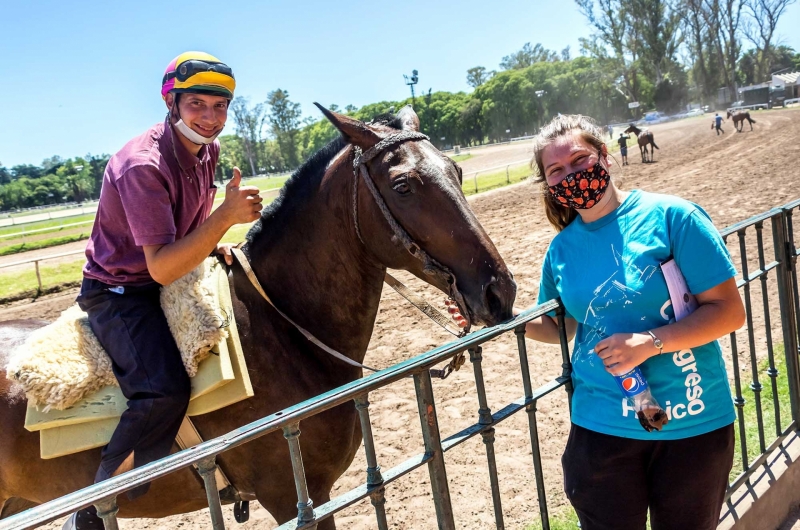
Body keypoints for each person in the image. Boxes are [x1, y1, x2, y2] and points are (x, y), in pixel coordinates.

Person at [452, 114, 745, 530]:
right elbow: (561, 327)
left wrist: (649, 342)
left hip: (692, 423)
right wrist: (494, 317)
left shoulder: (674, 217)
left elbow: (728, 311)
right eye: (556, 170)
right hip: (601, 428)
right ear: (549, 185)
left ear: (604, 157)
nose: (570, 175)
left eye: (579, 161)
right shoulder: (561, 250)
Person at [64, 51, 263, 530]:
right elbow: (159, 269)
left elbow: (185, 235)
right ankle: (91, 510)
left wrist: (216, 240)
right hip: (120, 292)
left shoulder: (205, 149)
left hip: (172, 271)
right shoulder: (142, 165)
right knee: (161, 391)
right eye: (197, 104)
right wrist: (222, 220)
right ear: (172, 103)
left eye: (220, 107)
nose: (211, 118)